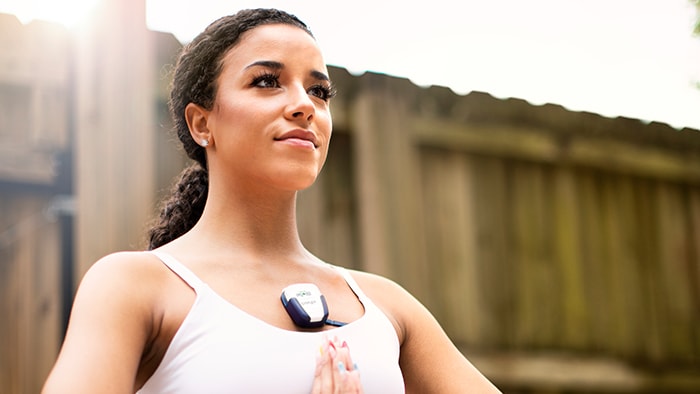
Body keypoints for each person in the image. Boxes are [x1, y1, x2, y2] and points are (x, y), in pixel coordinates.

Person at [42, 8, 500, 394]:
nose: (305, 105)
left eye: (319, 91)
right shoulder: (134, 287)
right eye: (266, 82)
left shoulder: (388, 307)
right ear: (203, 124)